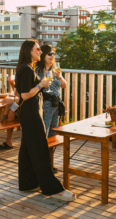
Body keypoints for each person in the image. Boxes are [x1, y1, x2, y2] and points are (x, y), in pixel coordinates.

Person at [15, 39, 75, 201]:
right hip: (32, 114)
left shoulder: (25, 68)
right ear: (29, 51)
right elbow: (25, 94)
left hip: (29, 113)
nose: (40, 52)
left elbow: (17, 90)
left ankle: (27, 183)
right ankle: (53, 189)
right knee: (41, 150)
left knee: (27, 149)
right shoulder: (27, 69)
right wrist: (41, 85)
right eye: (37, 49)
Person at [35, 44, 67, 172]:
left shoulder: (55, 69)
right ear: (43, 55)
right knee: (45, 134)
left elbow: (64, 85)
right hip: (45, 104)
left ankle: (50, 163)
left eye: (54, 54)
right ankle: (43, 165)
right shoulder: (37, 70)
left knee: (52, 135)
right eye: (50, 54)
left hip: (55, 105)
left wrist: (59, 76)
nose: (52, 56)